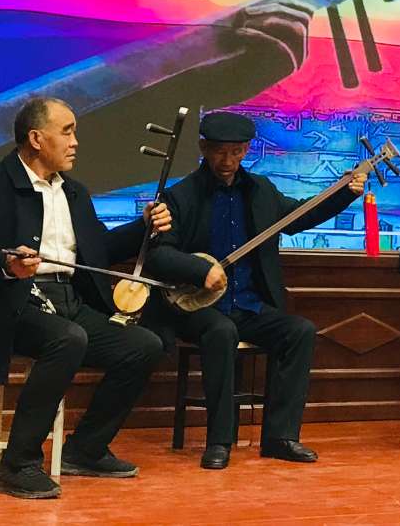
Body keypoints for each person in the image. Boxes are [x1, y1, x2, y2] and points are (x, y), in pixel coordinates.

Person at [0, 97, 169, 500]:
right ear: (36, 138)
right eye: (67, 131)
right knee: (67, 339)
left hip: (68, 302)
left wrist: (144, 227)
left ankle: (85, 449)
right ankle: (17, 465)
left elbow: (98, 250)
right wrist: (7, 263)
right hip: (9, 305)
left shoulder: (75, 193)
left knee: (143, 345)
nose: (75, 142)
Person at [145, 111, 364, 469]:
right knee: (221, 330)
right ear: (203, 148)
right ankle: (219, 441)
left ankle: (280, 437)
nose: (227, 161)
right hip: (198, 309)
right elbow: (158, 255)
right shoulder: (180, 195)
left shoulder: (261, 190)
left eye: (236, 152)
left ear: (247, 149)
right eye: (220, 151)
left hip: (249, 304)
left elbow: (299, 218)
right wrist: (201, 270)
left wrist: (342, 194)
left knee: (300, 331)